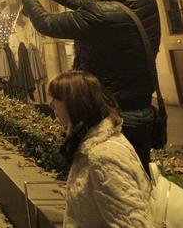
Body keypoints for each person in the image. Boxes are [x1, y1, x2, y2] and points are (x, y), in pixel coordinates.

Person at [17, 0, 159, 174]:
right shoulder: (144, 1)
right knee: (137, 180)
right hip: (140, 113)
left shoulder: (101, 15)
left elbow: (47, 23)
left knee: (110, 184)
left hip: (109, 118)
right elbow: (90, 5)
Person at [48, 71, 151, 227]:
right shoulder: (88, 146)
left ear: (75, 103)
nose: (51, 104)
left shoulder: (103, 157)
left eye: (56, 98)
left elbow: (133, 223)